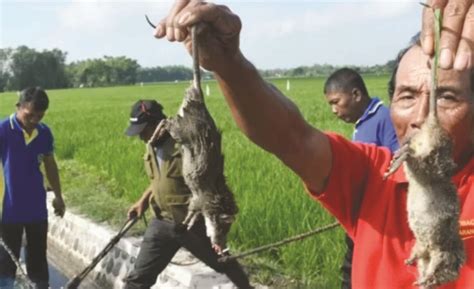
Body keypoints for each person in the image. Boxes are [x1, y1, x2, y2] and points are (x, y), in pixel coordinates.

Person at [152, 0, 474, 288]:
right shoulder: (374, 175)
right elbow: (291, 136)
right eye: (406, 96)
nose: (421, 116)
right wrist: (228, 62)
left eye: (446, 97)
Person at [123, 99, 252, 289]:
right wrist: (143, 200)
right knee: (138, 279)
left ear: (157, 123)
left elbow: (209, 184)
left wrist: (217, 226)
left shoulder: (186, 144)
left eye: (143, 131)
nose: (141, 137)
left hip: (191, 224)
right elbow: (161, 180)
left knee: (225, 264)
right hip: (161, 222)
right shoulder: (152, 144)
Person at [324, 67, 399, 289]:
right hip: (362, 215)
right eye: (331, 104)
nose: (334, 110)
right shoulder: (365, 122)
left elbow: (396, 164)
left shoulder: (384, 118)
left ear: (356, 95)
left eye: (336, 102)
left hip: (379, 218)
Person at [0, 87, 65, 289]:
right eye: (30, 115)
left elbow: (50, 164)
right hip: (7, 208)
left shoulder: (44, 133)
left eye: (40, 116)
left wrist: (58, 196)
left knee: (38, 257)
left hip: (36, 206)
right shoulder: (3, 130)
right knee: (5, 263)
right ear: (18, 107)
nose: (34, 120)